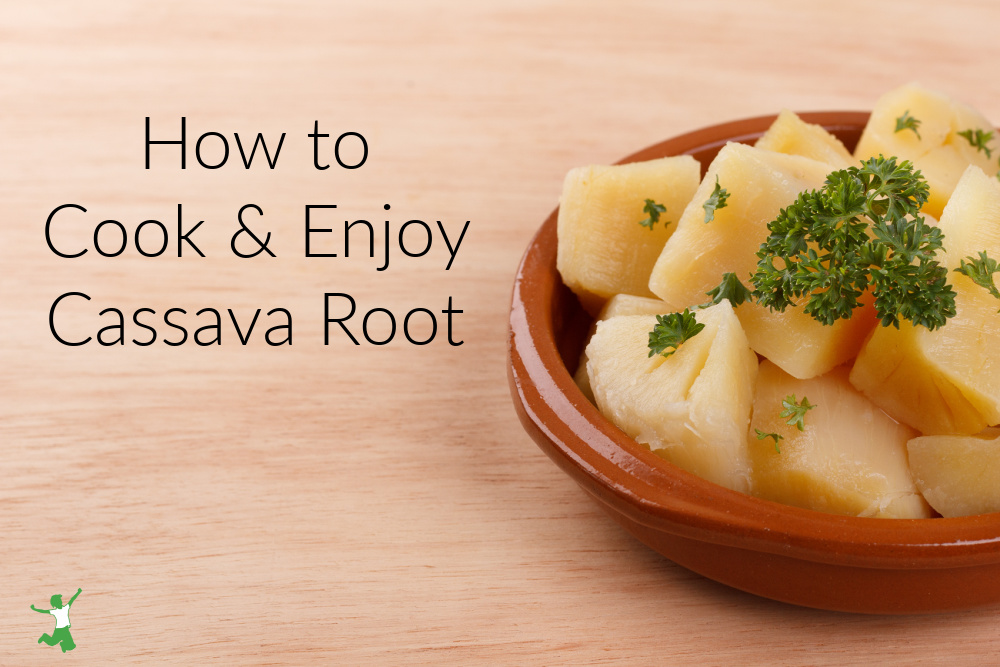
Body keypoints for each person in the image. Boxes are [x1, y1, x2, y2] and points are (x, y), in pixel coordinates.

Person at [31, 588, 81, 653]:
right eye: (58, 601)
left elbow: (72, 599)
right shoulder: (55, 611)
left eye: (60, 600)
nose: (60, 602)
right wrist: (34, 609)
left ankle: (63, 644)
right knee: (52, 643)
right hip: (59, 630)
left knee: (72, 646)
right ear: (55, 603)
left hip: (65, 629)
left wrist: (78, 592)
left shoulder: (65, 608)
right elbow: (43, 611)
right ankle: (44, 637)